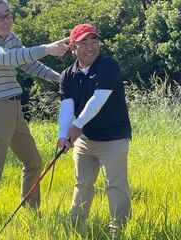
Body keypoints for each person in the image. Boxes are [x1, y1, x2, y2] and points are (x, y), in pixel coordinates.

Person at [0, 0, 69, 214]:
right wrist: (47, 49)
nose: (7, 20)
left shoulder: (11, 38)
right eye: (0, 16)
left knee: (33, 161)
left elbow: (28, 63)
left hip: (15, 108)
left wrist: (60, 78)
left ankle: (31, 212)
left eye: (9, 14)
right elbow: (7, 59)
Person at [57, 23, 132, 233]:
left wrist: (76, 126)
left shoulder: (108, 65)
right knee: (82, 184)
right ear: (73, 47)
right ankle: (74, 228)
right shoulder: (67, 75)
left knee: (115, 186)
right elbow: (67, 105)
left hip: (114, 137)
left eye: (94, 40)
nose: (91, 47)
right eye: (84, 42)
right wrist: (63, 136)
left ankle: (118, 231)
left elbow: (98, 99)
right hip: (85, 140)